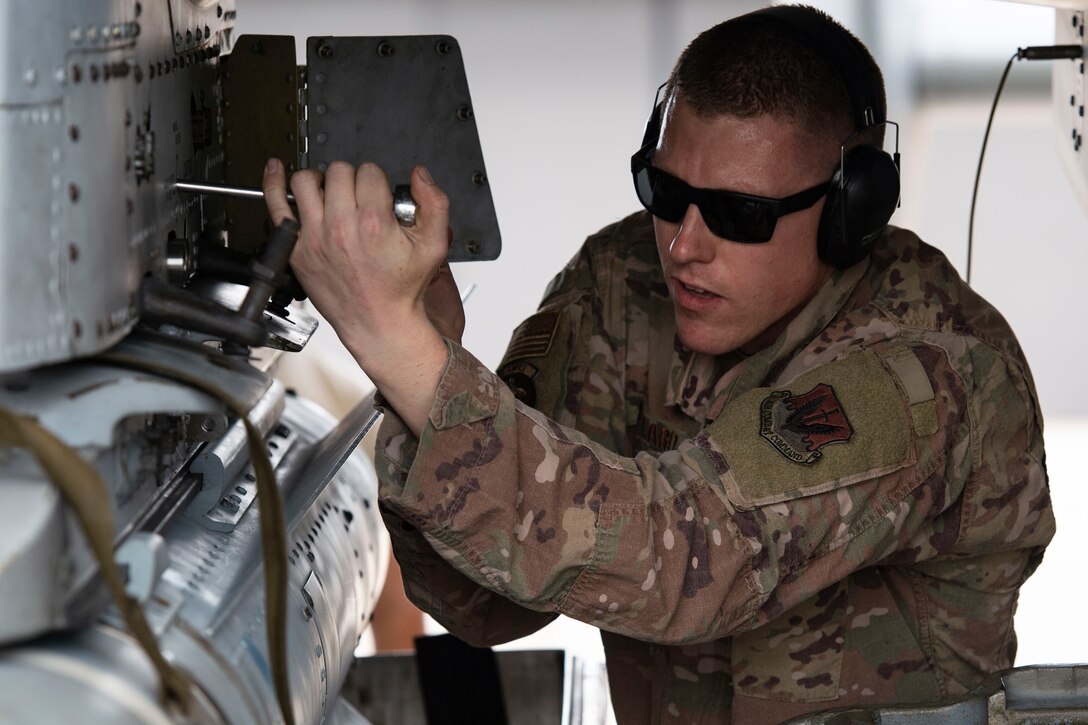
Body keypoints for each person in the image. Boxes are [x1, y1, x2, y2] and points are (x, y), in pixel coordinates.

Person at [262, 5, 1055, 722]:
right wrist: (417, 364)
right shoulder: (621, 285)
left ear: (850, 209)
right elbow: (484, 604)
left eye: (740, 214)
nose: (683, 244)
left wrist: (400, 347)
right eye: (664, 189)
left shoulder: (925, 374)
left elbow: (687, 561)